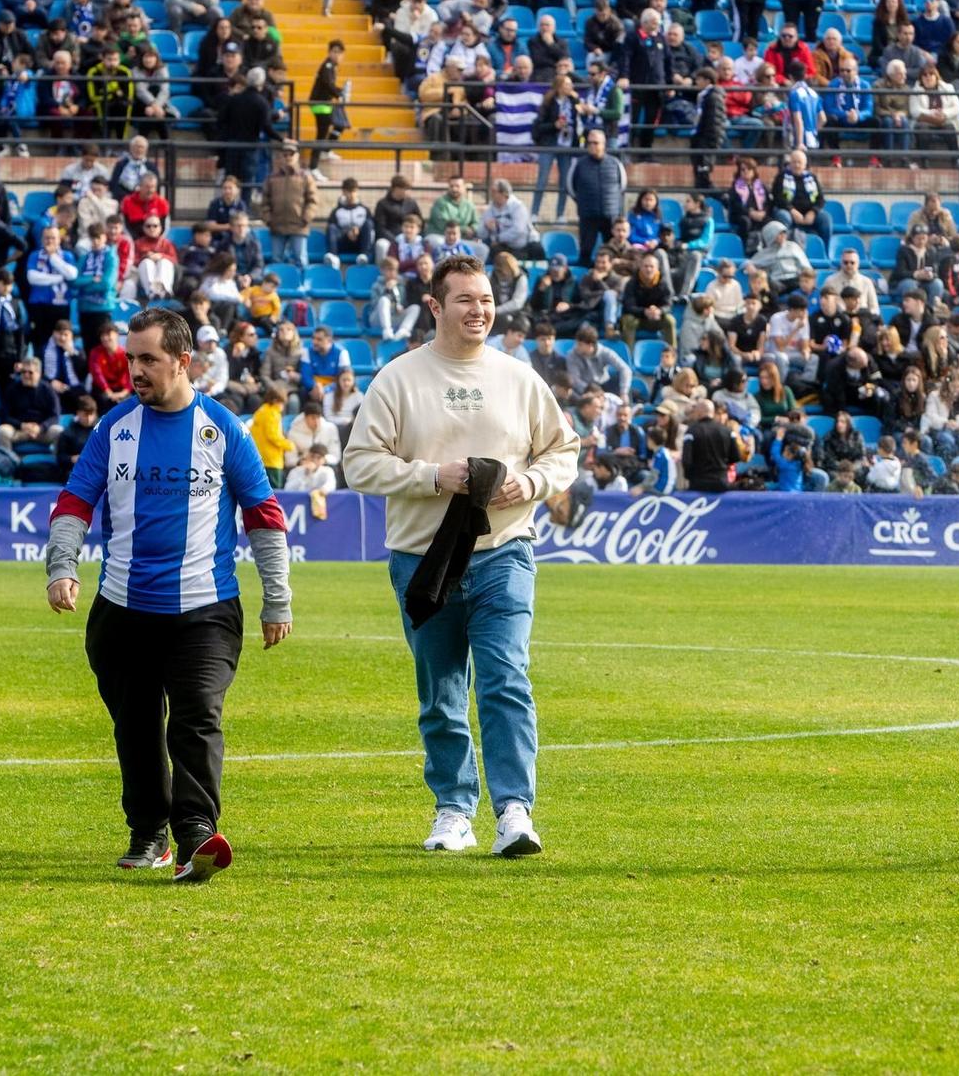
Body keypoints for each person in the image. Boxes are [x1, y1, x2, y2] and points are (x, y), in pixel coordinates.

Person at [44, 309, 295, 883]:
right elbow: (75, 502)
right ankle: (148, 832)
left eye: (148, 359)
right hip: (121, 611)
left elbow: (263, 515)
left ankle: (197, 834)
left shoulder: (224, 429)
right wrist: (62, 568)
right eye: (131, 358)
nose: (135, 369)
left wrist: (276, 598)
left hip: (205, 610)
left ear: (183, 362)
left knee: (195, 716)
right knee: (134, 724)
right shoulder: (114, 428)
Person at [344, 257, 581, 858]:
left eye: (485, 299)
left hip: (505, 551)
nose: (479, 311)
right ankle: (453, 809)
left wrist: (527, 486)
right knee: (443, 694)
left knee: (507, 680)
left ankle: (513, 811)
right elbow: (359, 464)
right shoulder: (398, 379)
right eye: (465, 300)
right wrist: (434, 476)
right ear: (435, 306)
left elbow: (563, 450)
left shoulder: (520, 378)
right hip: (423, 560)